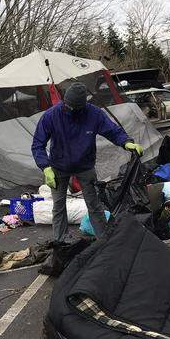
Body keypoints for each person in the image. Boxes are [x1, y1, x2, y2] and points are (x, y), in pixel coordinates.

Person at [31, 82, 143, 242]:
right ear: (64, 101)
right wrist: (45, 167)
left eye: (74, 108)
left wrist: (126, 142)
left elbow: (112, 130)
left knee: (94, 204)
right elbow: (37, 144)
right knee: (58, 206)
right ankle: (61, 241)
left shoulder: (93, 114)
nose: (70, 110)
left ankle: (104, 240)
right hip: (59, 167)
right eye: (67, 106)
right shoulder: (52, 116)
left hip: (85, 165)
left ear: (82, 106)